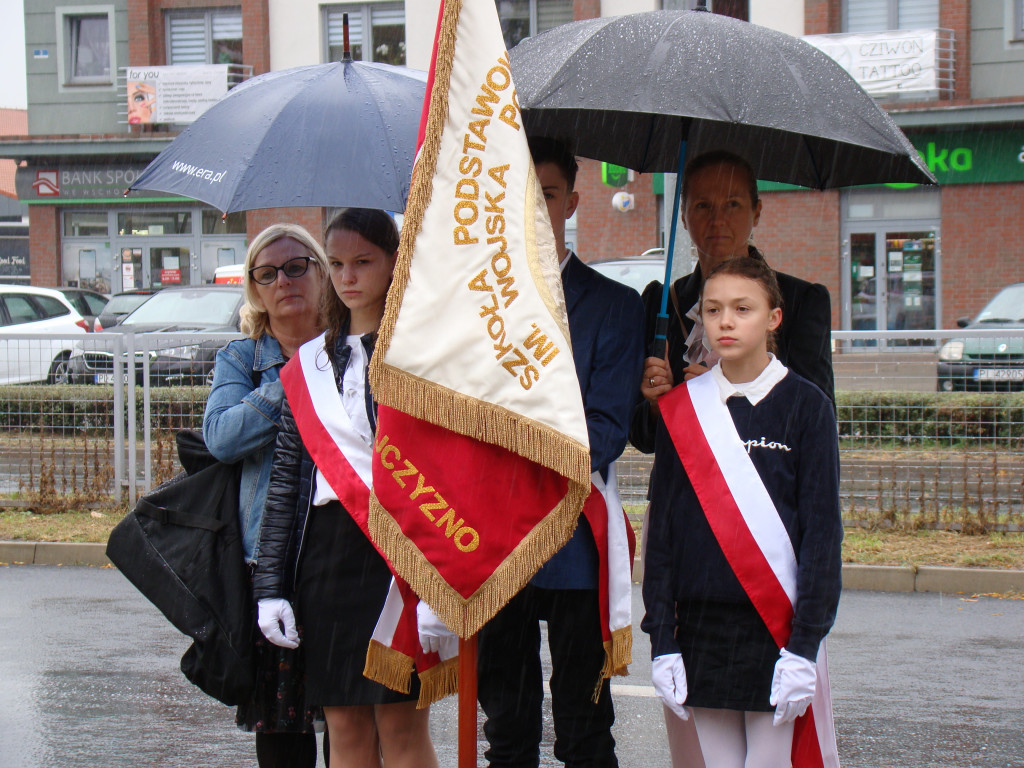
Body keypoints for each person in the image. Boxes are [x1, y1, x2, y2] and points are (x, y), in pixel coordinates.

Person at [476, 136, 645, 768]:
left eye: (545, 194)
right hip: (497, 548)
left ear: (570, 201)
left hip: (575, 540)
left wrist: (516, 456)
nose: (533, 206)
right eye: (520, 194)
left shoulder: (614, 307)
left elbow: (606, 428)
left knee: (584, 727)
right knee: (508, 729)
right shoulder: (480, 305)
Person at [252, 208, 439, 768]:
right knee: (346, 729)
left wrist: (440, 579)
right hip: (327, 559)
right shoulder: (308, 364)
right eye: (335, 264)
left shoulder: (421, 356)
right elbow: (286, 485)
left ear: (393, 263)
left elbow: (439, 472)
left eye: (363, 261)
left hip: (400, 552)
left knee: (401, 730)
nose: (348, 276)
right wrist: (271, 586)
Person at [641, 256, 842, 768]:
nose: (725, 322)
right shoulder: (684, 409)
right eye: (712, 310)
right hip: (699, 630)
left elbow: (822, 538)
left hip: (776, 630)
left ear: (774, 318)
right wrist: (662, 639)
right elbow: (661, 534)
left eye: (742, 308)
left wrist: (804, 648)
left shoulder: (807, 406)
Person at [203, 224, 328, 768]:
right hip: (272, 563)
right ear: (255, 289)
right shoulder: (242, 357)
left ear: (322, 271)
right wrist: (297, 377)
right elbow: (223, 437)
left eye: (297, 266)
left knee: (354, 719)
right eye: (267, 273)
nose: (284, 281)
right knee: (283, 731)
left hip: (347, 556)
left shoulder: (360, 347)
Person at [631, 149, 834, 459]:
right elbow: (641, 436)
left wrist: (728, 402)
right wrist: (659, 408)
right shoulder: (662, 304)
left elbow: (817, 423)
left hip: (764, 494)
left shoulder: (800, 302)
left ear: (757, 212)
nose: (717, 219)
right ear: (683, 216)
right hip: (679, 496)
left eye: (732, 204)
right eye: (702, 206)